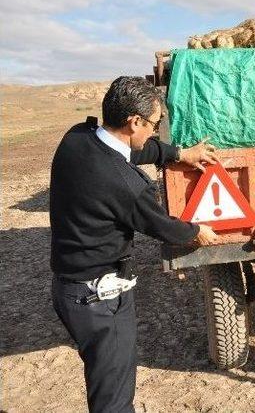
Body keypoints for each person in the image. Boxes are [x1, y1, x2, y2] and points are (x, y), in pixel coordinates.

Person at [49, 76, 219, 412]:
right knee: (113, 394)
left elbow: (134, 150)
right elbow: (166, 228)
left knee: (103, 378)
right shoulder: (128, 187)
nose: (155, 133)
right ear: (134, 121)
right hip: (100, 298)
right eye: (154, 125)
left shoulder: (76, 138)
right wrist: (197, 231)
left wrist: (178, 153)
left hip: (67, 289)